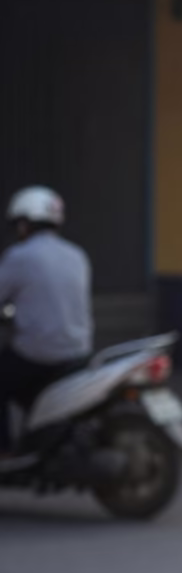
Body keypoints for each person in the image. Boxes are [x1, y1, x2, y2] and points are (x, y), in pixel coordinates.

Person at [0, 186, 92, 453]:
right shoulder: (77, 255)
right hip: (78, 351)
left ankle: (3, 451)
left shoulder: (20, 256)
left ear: (24, 224)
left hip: (39, 354)